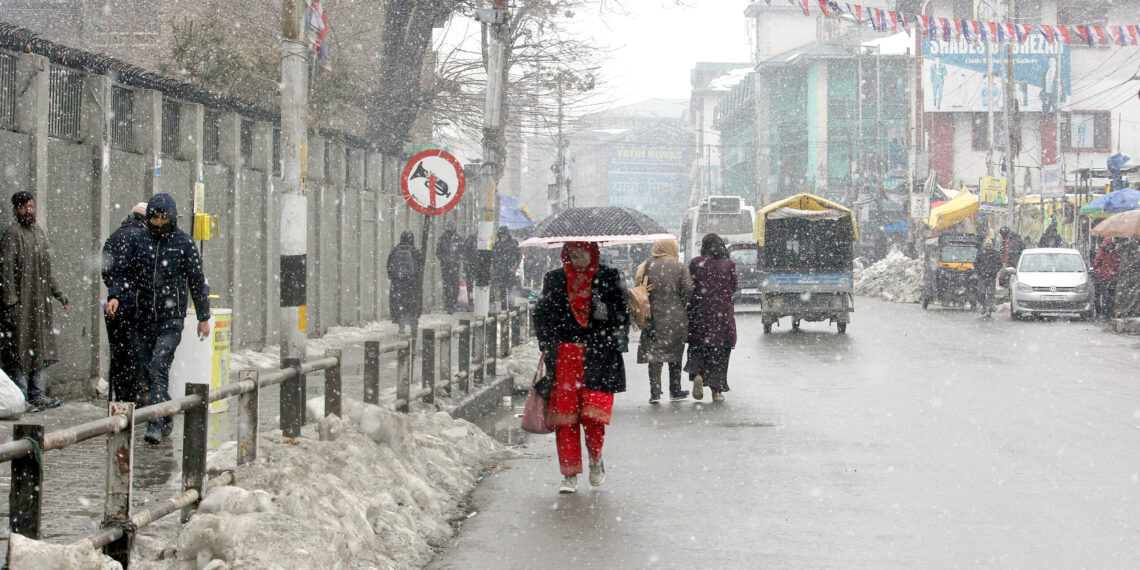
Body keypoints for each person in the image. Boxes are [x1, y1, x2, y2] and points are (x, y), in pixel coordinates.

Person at [534, 241, 629, 494]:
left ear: (594, 254)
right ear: (566, 256)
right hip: (565, 356)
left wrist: (607, 318)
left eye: (583, 255)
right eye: (573, 255)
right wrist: (546, 340)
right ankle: (569, 474)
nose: (578, 260)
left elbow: (622, 313)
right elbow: (541, 313)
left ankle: (595, 460)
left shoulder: (608, 277)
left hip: (599, 357)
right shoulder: (554, 279)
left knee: (593, 417)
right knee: (565, 419)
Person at [115, 193, 211, 443]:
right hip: (143, 317)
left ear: (171, 217)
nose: (158, 222)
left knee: (159, 366)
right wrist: (116, 295)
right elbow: (122, 272)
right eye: (154, 217)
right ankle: (166, 412)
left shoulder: (183, 244)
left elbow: (196, 281)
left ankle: (154, 423)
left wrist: (203, 317)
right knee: (146, 373)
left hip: (170, 319)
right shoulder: (138, 242)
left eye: (163, 217)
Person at [0, 192, 67, 412]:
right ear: (15, 210)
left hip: (40, 304)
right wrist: (11, 303)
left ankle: (37, 393)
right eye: (23, 208)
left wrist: (58, 292)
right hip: (22, 305)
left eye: (30, 206)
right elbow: (6, 271)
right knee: (20, 350)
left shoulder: (38, 233)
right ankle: (22, 396)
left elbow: (46, 270)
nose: (28, 211)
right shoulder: (12, 234)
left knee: (40, 348)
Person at [635, 239, 693, 403]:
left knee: (655, 354)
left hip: (651, 315)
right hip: (675, 316)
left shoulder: (646, 266)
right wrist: (681, 300)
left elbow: (638, 287)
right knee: (674, 352)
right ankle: (675, 389)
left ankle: (655, 392)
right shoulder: (680, 267)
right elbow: (688, 289)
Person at [101, 202, 148, 403]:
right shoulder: (145, 238)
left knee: (118, 354)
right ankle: (135, 398)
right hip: (137, 306)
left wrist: (115, 294)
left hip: (115, 306)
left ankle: (120, 398)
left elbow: (106, 270)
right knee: (137, 354)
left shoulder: (114, 237)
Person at [685, 234, 736, 402]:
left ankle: (698, 373)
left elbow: (690, 285)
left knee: (699, 346)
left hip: (700, 312)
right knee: (720, 351)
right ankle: (717, 390)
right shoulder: (729, 264)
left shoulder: (696, 263)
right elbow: (734, 286)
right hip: (722, 314)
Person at [387, 230, 423, 335]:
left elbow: (389, 268)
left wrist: (395, 277)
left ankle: (401, 326)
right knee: (411, 304)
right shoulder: (415, 251)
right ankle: (413, 325)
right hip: (411, 284)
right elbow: (419, 268)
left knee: (399, 304)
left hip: (397, 284)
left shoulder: (394, 251)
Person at [435, 222, 464, 314]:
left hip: (455, 266)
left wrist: (457, 259)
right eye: (448, 227)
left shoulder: (459, 239)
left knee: (455, 285)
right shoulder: (442, 239)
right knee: (447, 285)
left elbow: (462, 251)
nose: (450, 229)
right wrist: (444, 259)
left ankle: (453, 303)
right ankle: (448, 305)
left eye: (451, 227)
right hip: (445, 267)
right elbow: (438, 252)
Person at [491, 226, 521, 310]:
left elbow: (519, 256)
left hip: (510, 270)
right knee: (502, 291)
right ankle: (504, 308)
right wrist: (495, 267)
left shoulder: (513, 243)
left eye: (503, 235)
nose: (502, 237)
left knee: (511, 289)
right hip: (500, 271)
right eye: (500, 235)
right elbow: (493, 257)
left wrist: (515, 266)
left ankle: (511, 307)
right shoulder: (497, 245)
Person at [1092, 238, 1120, 318]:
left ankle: (1108, 312)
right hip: (1102, 278)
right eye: (1109, 245)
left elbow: (1117, 264)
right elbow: (1096, 265)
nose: (1110, 247)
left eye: (1111, 245)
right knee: (1101, 296)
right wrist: (1100, 273)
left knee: (1110, 297)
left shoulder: (1115, 254)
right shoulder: (1101, 254)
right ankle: (1100, 312)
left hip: (1111, 278)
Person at [974, 240, 1002, 317]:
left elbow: (999, 264)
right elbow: (975, 264)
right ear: (984, 245)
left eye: (989, 245)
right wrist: (979, 272)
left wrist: (994, 271)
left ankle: (989, 309)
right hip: (982, 277)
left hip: (991, 277)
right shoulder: (980, 254)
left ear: (992, 246)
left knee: (990, 293)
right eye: (986, 245)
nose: (988, 246)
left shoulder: (996, 254)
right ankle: (983, 306)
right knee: (981, 293)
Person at [1114, 238, 1140, 318]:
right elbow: (1124, 268)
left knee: (1133, 296)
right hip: (1128, 280)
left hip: (1133, 279)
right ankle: (1124, 312)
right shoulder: (1126, 256)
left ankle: (1131, 311)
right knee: (1127, 296)